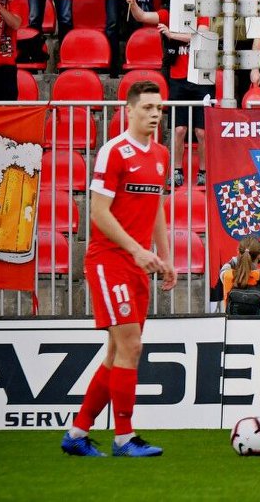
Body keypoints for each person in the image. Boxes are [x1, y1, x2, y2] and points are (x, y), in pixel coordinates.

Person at [61, 82, 176, 458]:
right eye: (146, 107)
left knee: (116, 354)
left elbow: (156, 207)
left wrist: (166, 255)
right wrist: (136, 250)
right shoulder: (114, 152)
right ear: (129, 111)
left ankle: (77, 434)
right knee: (132, 346)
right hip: (110, 260)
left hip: (137, 262)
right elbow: (98, 213)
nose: (154, 113)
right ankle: (125, 438)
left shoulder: (160, 153)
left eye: (158, 107)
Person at [219, 236, 260, 317]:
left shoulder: (227, 275)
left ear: (239, 253)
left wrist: (242, 255)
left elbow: (225, 267)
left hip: (233, 325)